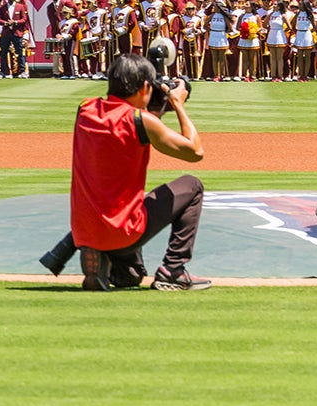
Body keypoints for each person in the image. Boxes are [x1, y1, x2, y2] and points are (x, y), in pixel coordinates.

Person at [38, 54, 211, 291]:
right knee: (192, 186)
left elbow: (121, 124)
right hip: (124, 231)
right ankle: (173, 270)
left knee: (131, 276)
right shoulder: (141, 121)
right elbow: (195, 151)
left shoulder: (85, 109)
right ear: (145, 87)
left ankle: (105, 262)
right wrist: (178, 103)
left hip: (86, 232)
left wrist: (154, 108)